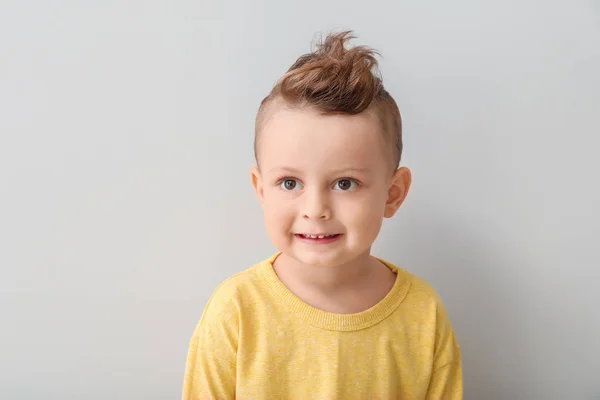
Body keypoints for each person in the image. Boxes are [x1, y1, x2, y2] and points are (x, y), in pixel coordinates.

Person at [182, 30, 463, 399]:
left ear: (393, 194)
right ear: (261, 189)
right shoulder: (236, 311)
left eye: (345, 184)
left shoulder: (424, 314)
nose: (315, 210)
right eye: (289, 183)